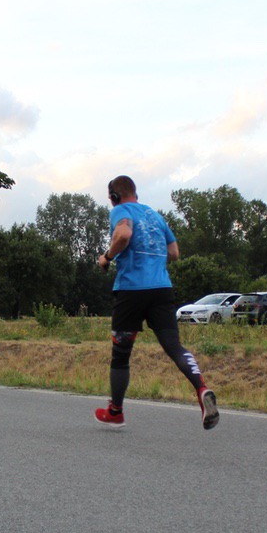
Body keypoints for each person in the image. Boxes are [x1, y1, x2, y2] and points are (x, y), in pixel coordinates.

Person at [95, 176, 219, 430]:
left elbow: (124, 234)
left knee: (121, 354)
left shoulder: (120, 211)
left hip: (131, 290)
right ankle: (201, 388)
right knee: (174, 346)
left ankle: (116, 412)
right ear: (136, 193)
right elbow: (174, 253)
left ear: (114, 197)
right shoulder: (156, 216)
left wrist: (107, 257)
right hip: (161, 289)